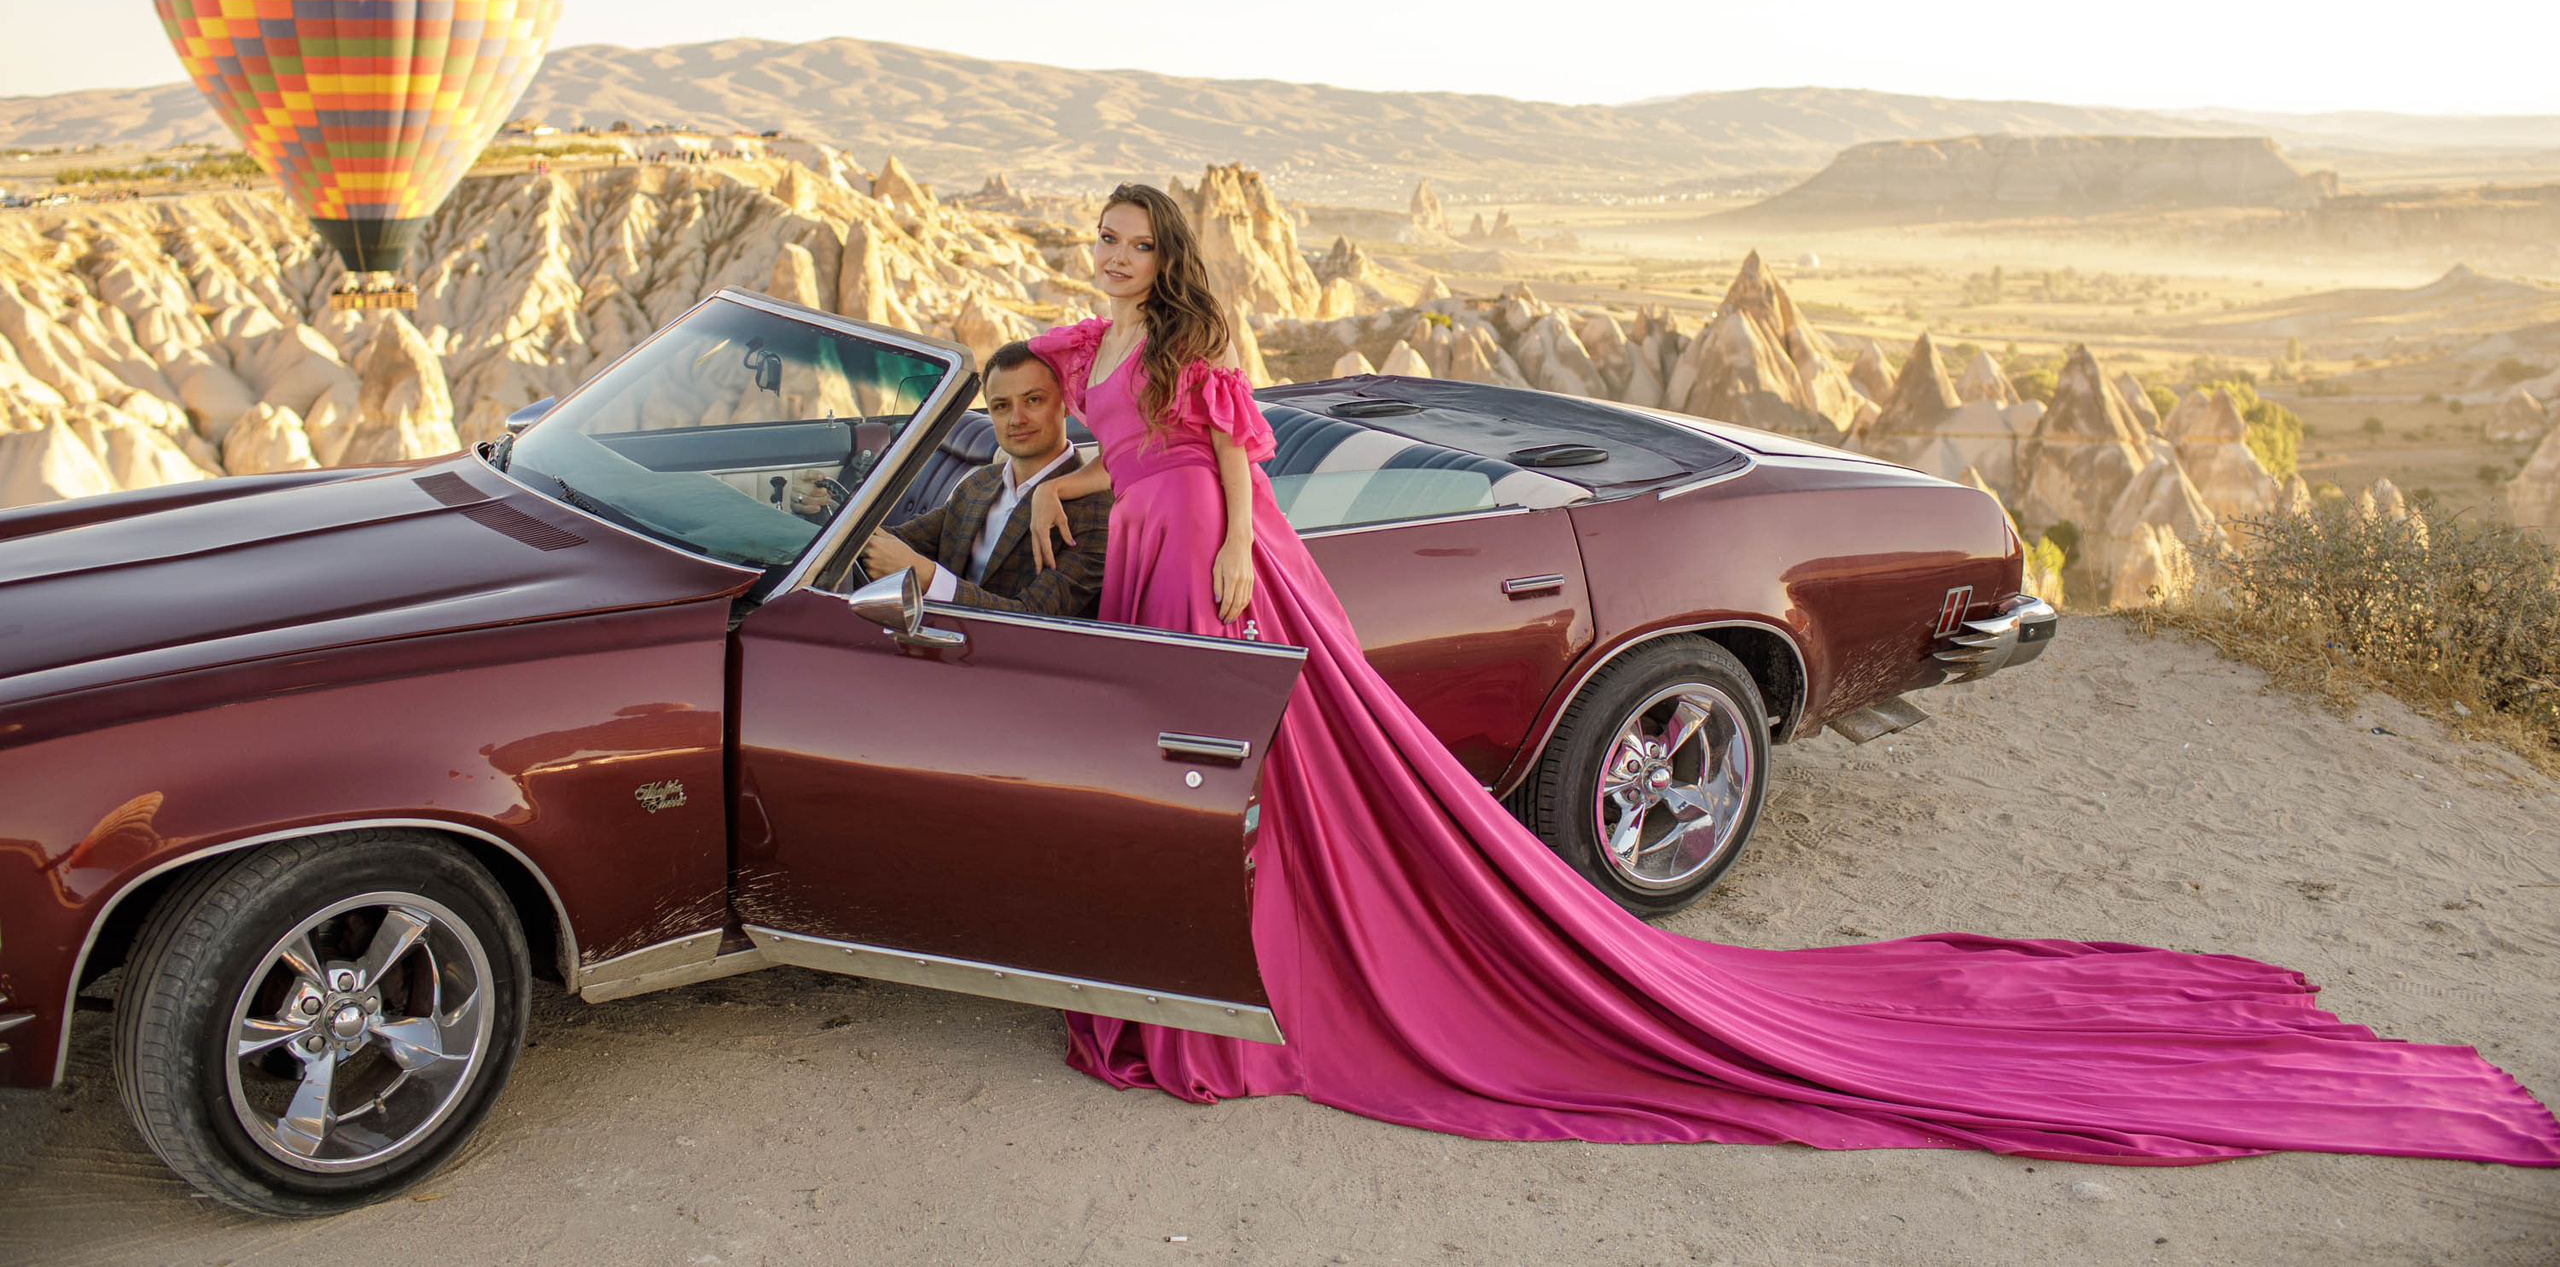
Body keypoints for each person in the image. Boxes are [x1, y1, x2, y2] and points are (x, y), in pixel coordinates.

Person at [1014, 181, 2560, 1168]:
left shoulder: (1203, 345)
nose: (1111, 257)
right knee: (1201, 761)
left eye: (1132, 241)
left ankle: (1206, 982)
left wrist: (1227, 554)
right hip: (1137, 536)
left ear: (1174, 252)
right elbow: (1059, 394)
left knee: (1238, 765)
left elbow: (1224, 453)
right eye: (1103, 239)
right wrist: (1050, 481)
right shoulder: (1105, 334)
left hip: (1216, 554)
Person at [861, 340, 1111, 618]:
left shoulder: (1099, 510)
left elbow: (1032, 617)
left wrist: (926, 576)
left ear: (1067, 404)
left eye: (1033, 400)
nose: (1017, 419)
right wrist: (815, 510)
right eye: (1002, 406)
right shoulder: (978, 484)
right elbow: (896, 540)